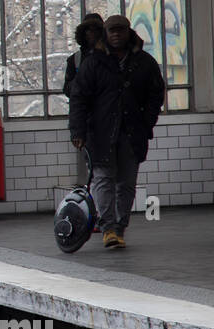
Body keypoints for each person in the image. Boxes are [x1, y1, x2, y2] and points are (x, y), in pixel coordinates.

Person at [68, 14, 165, 250]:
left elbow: (156, 93)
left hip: (132, 132)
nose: (116, 35)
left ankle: (119, 227)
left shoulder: (144, 63)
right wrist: (79, 130)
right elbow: (78, 97)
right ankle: (109, 228)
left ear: (128, 32)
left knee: (126, 182)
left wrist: (146, 121)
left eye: (120, 30)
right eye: (112, 31)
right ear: (106, 34)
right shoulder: (93, 63)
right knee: (103, 179)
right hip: (100, 133)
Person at [63, 13, 106, 186]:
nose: (92, 34)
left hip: (106, 117)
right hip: (87, 119)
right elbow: (67, 89)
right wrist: (81, 84)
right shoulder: (75, 60)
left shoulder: (110, 57)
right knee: (92, 165)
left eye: (96, 30)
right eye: (88, 30)